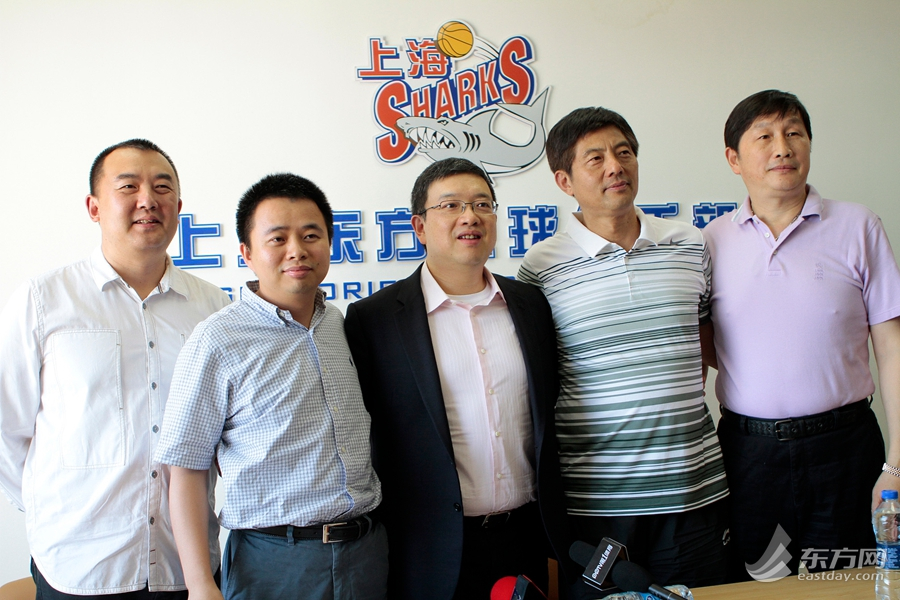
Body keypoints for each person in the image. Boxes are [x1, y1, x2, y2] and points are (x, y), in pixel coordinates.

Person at [0, 139, 231, 598]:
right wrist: (52, 509)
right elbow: (8, 427)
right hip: (78, 564)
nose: (148, 200)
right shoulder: (44, 300)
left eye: (162, 188)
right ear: (94, 207)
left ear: (178, 206)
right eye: (128, 186)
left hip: (184, 566)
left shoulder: (213, 308)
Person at [518, 107, 730, 588]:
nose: (615, 167)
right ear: (564, 180)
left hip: (691, 492)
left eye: (624, 153)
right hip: (597, 503)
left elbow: (704, 345)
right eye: (595, 158)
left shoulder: (689, 244)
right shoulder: (541, 266)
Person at [344, 158, 573, 600]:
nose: (470, 216)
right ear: (420, 226)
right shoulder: (374, 320)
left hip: (526, 537)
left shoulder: (530, 304)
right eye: (451, 205)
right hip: (428, 548)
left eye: (482, 204)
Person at [155, 173, 385, 600]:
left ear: (330, 243)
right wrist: (200, 584)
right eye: (277, 238)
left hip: (365, 552)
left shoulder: (338, 324)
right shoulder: (217, 340)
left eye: (311, 235)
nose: (297, 250)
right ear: (247, 252)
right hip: (274, 561)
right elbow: (185, 468)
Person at [704, 89, 900, 578]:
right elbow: (705, 344)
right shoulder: (710, 242)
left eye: (794, 133)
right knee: (758, 584)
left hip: (845, 450)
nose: (783, 148)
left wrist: (896, 464)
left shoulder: (858, 225)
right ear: (733, 158)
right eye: (764, 137)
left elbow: (892, 348)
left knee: (850, 582)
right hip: (749, 456)